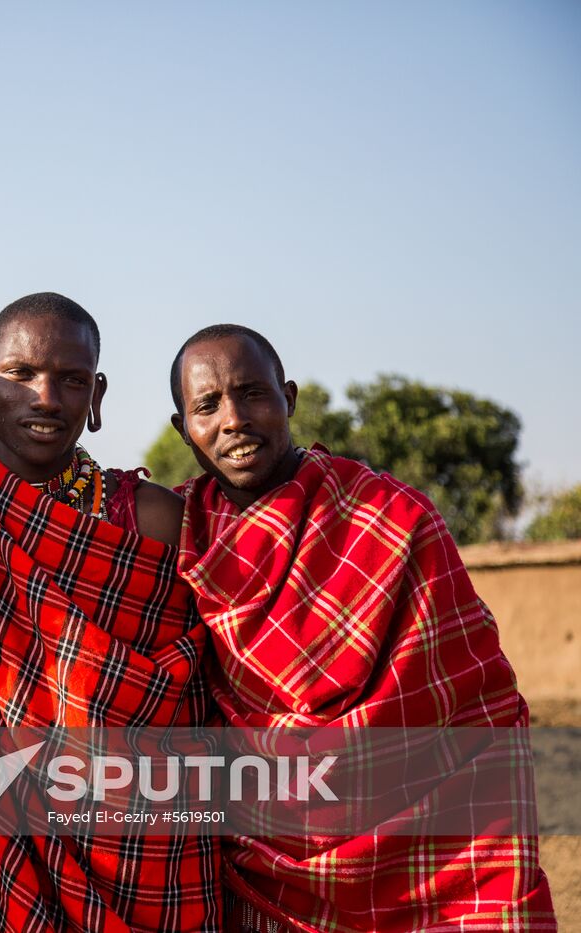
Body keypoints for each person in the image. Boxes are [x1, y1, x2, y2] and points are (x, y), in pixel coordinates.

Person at [168, 324, 555, 932]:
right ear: (182, 429)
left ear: (289, 398)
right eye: (207, 406)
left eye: (253, 394)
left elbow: (474, 711)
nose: (234, 419)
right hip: (264, 866)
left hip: (426, 863)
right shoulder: (178, 530)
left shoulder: (393, 518)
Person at [0, 293, 219, 932]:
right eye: (19, 374)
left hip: (145, 863)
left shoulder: (151, 519)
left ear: (96, 393)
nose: (45, 398)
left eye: (71, 380)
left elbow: (205, 690)